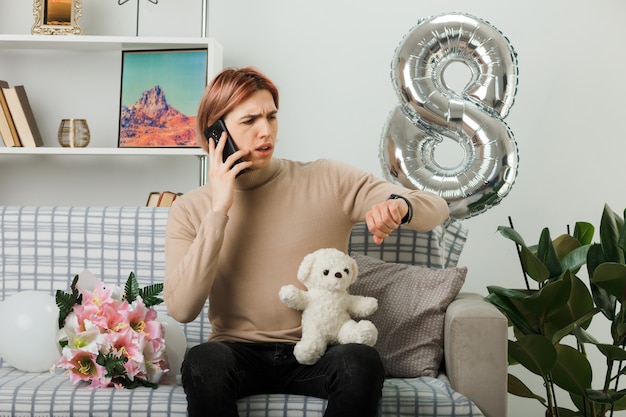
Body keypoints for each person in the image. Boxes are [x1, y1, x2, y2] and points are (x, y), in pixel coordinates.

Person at [163, 67, 449, 417]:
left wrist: (400, 207)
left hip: (320, 349)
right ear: (216, 135)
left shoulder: (327, 178)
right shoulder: (191, 208)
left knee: (361, 360)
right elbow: (182, 308)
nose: (265, 131)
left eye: (271, 116)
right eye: (249, 120)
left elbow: (436, 207)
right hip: (237, 354)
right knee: (203, 361)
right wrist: (219, 210)